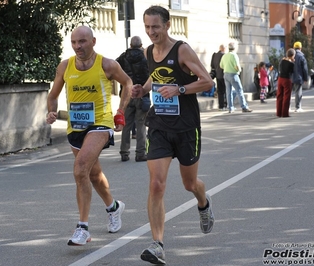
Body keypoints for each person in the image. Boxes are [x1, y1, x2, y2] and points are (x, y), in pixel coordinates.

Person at [132, 6, 215, 265]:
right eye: (147, 27)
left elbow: (207, 81)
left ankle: (203, 202)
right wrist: (142, 89)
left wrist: (179, 89)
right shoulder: (148, 51)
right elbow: (155, 78)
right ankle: (157, 244)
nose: (151, 32)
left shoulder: (182, 50)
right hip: (159, 126)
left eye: (155, 26)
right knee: (156, 184)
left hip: (186, 127)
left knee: (190, 184)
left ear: (167, 25)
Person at [46, 26, 132, 246]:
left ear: (93, 41)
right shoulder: (65, 66)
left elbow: (128, 83)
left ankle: (82, 228)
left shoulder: (107, 65)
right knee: (92, 174)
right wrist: (51, 111)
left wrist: (120, 111)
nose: (78, 47)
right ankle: (114, 207)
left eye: (82, 42)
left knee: (80, 167)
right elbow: (53, 94)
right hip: (76, 127)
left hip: (100, 123)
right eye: (74, 42)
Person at [116, 36, 149, 162]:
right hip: (142, 93)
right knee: (141, 124)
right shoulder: (146, 57)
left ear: (130, 45)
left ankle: (124, 152)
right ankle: (140, 153)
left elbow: (115, 69)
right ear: (141, 45)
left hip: (127, 94)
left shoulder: (123, 57)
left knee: (126, 124)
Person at [220, 42, 253, 113]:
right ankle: (244, 106)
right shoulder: (234, 55)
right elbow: (237, 66)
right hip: (233, 74)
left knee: (228, 92)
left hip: (226, 74)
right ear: (235, 48)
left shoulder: (224, 56)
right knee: (239, 90)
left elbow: (221, 66)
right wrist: (239, 70)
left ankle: (230, 107)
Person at [276, 48, 295, 117]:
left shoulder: (282, 61)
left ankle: (278, 112)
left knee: (279, 96)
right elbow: (292, 72)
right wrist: (293, 62)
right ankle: (284, 113)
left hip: (280, 78)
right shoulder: (291, 64)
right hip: (287, 79)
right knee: (287, 96)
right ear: (292, 55)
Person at [292, 41, 308, 113]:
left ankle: (287, 107)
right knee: (298, 92)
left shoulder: (290, 55)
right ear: (300, 48)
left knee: (288, 93)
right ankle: (298, 107)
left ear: (294, 47)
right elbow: (304, 68)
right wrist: (306, 78)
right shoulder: (301, 56)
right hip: (298, 76)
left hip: (290, 77)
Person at [210, 44, 227, 110]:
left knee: (220, 91)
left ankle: (221, 106)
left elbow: (212, 65)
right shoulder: (224, 56)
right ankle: (225, 105)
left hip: (217, 75)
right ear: (224, 49)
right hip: (224, 75)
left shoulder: (214, 55)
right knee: (225, 91)